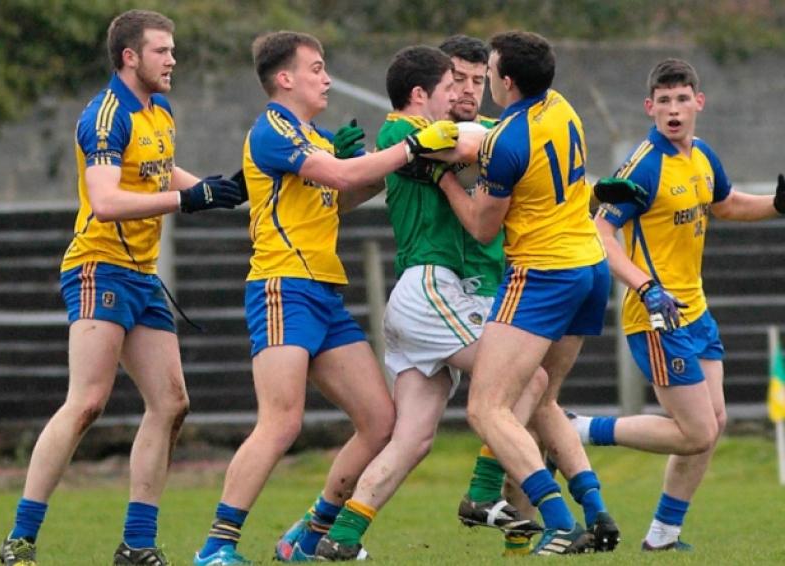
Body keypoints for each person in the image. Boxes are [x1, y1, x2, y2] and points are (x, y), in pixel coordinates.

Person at [191, 31, 459, 566]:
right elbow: (338, 173)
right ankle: (216, 548)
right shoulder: (272, 129)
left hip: (324, 293)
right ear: (285, 78)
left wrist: (385, 167)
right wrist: (406, 148)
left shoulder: (313, 134)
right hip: (281, 287)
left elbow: (341, 194)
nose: (327, 77)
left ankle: (307, 536)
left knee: (380, 422)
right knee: (281, 422)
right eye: (316, 68)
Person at [0, 9, 246, 566]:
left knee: (172, 402)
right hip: (98, 266)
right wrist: (187, 200)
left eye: (173, 49)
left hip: (140, 274)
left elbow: (162, 173)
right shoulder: (106, 116)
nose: (173, 59)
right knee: (87, 402)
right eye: (162, 50)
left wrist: (215, 188)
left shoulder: (160, 111)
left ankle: (136, 544)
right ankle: (20, 538)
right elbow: (107, 202)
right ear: (130, 57)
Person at [301, 42, 544, 562]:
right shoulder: (405, 131)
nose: (462, 91)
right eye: (452, 82)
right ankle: (484, 493)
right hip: (433, 289)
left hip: (429, 299)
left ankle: (339, 538)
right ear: (423, 93)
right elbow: (480, 143)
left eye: (475, 80)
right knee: (529, 378)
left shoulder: (424, 137)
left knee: (412, 439)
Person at [573, 58, 785, 551]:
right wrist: (645, 287)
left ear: (698, 103)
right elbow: (601, 232)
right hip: (655, 315)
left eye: (682, 99)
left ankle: (663, 536)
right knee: (695, 432)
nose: (673, 109)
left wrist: (776, 203)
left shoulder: (701, 155)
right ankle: (580, 429)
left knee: (714, 425)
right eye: (663, 101)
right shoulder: (644, 165)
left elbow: (725, 203)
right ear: (650, 108)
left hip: (694, 310)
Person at [439, 30, 618, 555]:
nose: (485, 78)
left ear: (507, 81)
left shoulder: (505, 143)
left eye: (488, 70)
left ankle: (559, 522)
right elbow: (500, 138)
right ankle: (598, 512)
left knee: (486, 409)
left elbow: (482, 227)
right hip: (589, 267)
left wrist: (443, 178)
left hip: (543, 275)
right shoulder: (562, 107)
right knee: (543, 398)